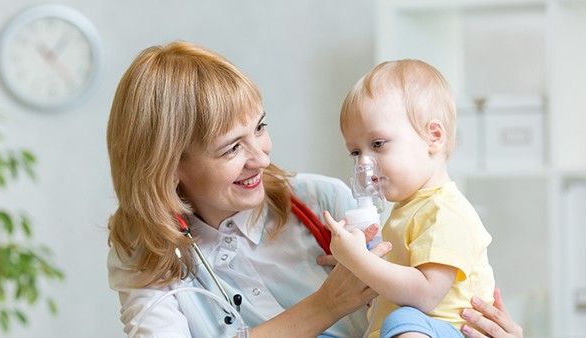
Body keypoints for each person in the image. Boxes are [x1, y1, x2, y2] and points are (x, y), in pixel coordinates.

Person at [105, 40, 523, 337]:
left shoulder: (324, 202)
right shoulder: (150, 256)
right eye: (232, 148)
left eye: (260, 129)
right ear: (170, 166)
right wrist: (328, 303)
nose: (263, 158)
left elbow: (430, 301)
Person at [324, 59, 496, 338]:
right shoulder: (409, 209)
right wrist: (353, 260)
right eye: (356, 152)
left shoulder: (445, 211)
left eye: (378, 144)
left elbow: (426, 295)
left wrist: (359, 261)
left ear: (433, 137)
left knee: (402, 319)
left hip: (447, 330)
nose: (365, 164)